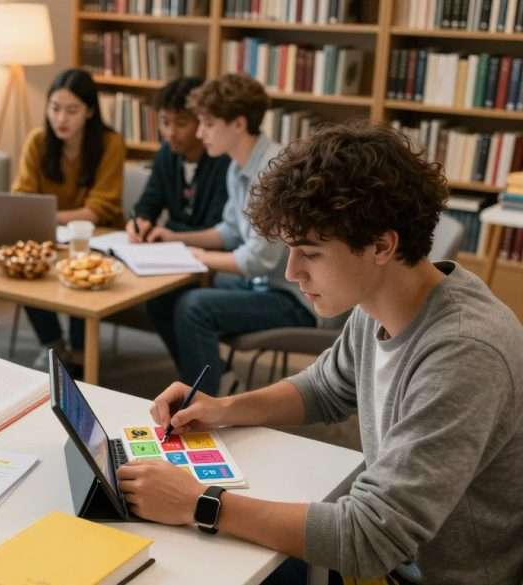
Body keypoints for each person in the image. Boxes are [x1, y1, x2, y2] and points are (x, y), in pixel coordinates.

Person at [118, 122, 523, 585]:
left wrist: (198, 502)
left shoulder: (465, 353)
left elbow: (369, 537)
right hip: (387, 556)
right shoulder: (382, 302)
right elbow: (325, 388)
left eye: (309, 253)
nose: (292, 272)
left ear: (381, 245)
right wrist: (223, 408)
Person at [145, 73, 315, 392]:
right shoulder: (238, 166)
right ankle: (214, 380)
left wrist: (200, 258)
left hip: (294, 297)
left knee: (193, 306)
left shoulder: (273, 171)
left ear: (238, 124)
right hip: (262, 284)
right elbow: (229, 231)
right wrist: (176, 239)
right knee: (165, 296)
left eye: (208, 124)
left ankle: (207, 398)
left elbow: (257, 260)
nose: (200, 132)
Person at [12, 68, 125, 367]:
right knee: (25, 265)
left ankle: (80, 352)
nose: (61, 119)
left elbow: (99, 208)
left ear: (89, 111)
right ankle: (52, 343)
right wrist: (54, 219)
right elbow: (22, 199)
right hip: (50, 235)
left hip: (99, 238)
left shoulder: (110, 144)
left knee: (81, 267)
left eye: (72, 110)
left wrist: (47, 215)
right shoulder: (37, 141)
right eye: (55, 108)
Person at [127, 77, 230, 244]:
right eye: (164, 122)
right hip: (172, 248)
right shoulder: (166, 153)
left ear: (202, 121)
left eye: (181, 123)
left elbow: (216, 228)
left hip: (208, 254)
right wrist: (140, 221)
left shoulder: (224, 160)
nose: (170, 133)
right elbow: (149, 202)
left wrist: (172, 233)